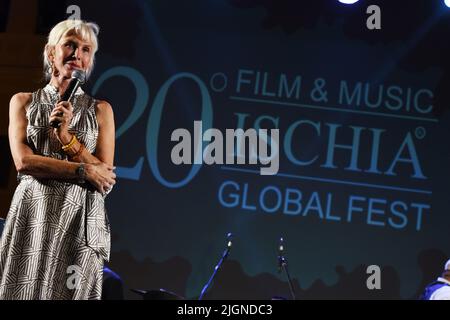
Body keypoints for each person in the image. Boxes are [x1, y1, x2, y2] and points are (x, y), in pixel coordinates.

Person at [0, 19, 116, 300]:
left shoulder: (101, 110)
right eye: (70, 45)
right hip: (32, 216)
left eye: (86, 49)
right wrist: (83, 170)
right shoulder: (23, 102)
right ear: (51, 52)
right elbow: (24, 162)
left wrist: (66, 138)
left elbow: (106, 177)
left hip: (80, 220)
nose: (78, 54)